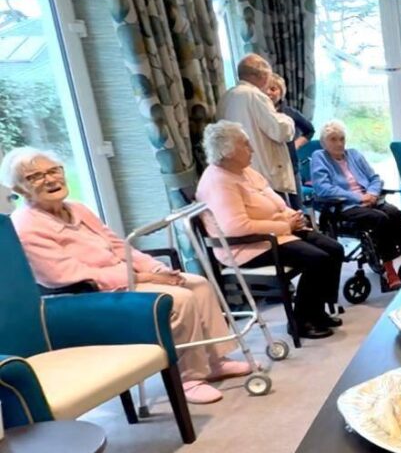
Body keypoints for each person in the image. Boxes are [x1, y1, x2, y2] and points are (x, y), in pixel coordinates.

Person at [1, 147, 251, 405]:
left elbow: (120, 246)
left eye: (54, 170)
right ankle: (189, 377)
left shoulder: (77, 208)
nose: (50, 179)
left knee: (197, 284)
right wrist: (142, 278)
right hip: (87, 295)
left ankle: (215, 360)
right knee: (178, 299)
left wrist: (155, 269)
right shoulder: (26, 225)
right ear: (18, 189)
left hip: (123, 281)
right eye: (35, 176)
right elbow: (65, 275)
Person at [196, 121, 343, 339]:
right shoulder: (218, 181)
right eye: (245, 145)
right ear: (227, 151)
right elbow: (236, 227)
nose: (252, 149)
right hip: (247, 247)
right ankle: (300, 321)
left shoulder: (244, 171)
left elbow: (274, 200)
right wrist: (285, 225)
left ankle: (317, 310)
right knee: (317, 259)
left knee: (334, 249)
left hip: (276, 233)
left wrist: (291, 215)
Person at [311, 120, 401, 290]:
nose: (339, 143)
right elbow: (323, 188)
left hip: (369, 198)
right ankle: (389, 270)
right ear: (324, 142)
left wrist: (372, 194)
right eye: (333, 139)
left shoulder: (354, 154)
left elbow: (374, 178)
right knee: (380, 219)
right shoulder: (320, 157)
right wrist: (357, 198)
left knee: (395, 213)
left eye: (341, 138)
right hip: (345, 206)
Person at [219, 54, 296, 198]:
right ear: (261, 75)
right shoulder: (255, 96)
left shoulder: (226, 97)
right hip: (264, 173)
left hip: (239, 172)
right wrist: (287, 120)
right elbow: (279, 131)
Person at [264, 74, 315, 208]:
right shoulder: (259, 114)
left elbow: (309, 130)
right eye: (265, 89)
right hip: (269, 169)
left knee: (297, 205)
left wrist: (296, 144)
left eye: (273, 89)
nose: (269, 92)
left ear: (281, 92)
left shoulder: (289, 113)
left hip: (291, 166)